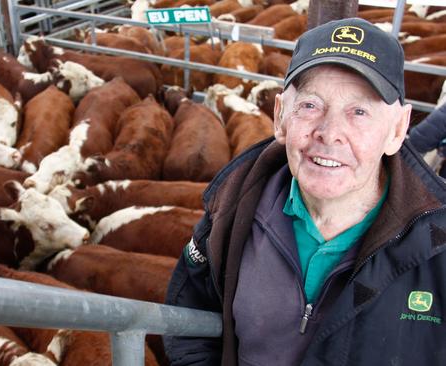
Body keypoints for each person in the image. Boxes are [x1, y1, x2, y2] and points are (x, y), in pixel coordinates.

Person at [165, 17, 446, 366]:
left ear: (397, 129)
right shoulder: (231, 209)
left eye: (359, 111)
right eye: (311, 106)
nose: (329, 133)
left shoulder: (437, 244)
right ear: (281, 116)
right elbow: (188, 319)